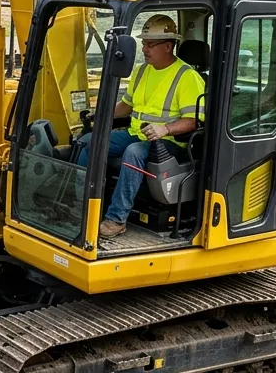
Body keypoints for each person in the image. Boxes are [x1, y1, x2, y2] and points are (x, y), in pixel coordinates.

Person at [76, 14, 205, 239]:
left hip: (171, 142)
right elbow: (126, 106)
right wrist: (101, 114)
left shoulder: (187, 77)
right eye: (144, 43)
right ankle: (80, 205)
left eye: (150, 44)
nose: (144, 49)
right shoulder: (142, 70)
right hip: (137, 134)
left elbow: (194, 120)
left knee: (133, 153)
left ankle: (116, 219)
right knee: (91, 141)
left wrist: (165, 129)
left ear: (168, 46)